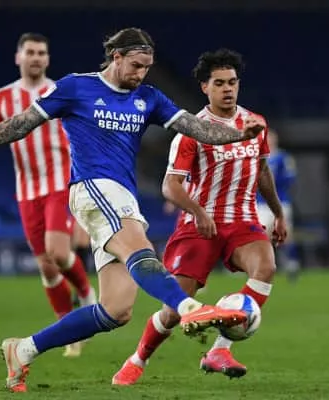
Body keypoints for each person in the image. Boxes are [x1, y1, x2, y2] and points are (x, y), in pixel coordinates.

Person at [0, 29, 265, 393]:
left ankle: (24, 350)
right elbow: (17, 126)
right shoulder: (76, 87)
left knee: (116, 310)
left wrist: (240, 134)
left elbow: (197, 128)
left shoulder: (148, 98)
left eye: (147, 67)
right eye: (136, 65)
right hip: (91, 188)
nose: (141, 73)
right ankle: (189, 307)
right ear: (116, 57)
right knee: (140, 248)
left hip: (121, 196)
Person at [112, 48, 287, 385]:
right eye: (219, 83)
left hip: (242, 221)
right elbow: (170, 186)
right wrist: (197, 211)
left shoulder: (256, 123)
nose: (227, 89)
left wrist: (278, 213)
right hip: (199, 227)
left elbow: (262, 170)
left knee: (265, 267)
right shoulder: (192, 131)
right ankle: (138, 359)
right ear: (205, 87)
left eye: (232, 82)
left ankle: (219, 350)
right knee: (174, 310)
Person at [0, 32, 97, 357]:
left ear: (47, 59)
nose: (36, 57)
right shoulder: (2, 97)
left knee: (57, 252)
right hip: (27, 191)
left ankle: (87, 295)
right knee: (46, 267)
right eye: (30, 52)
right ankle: (69, 332)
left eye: (41, 53)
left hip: (60, 183)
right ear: (18, 57)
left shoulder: (61, 91)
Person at [257, 129, 300, 281]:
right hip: (261, 204)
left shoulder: (283, 157)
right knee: (260, 235)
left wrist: (273, 180)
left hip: (281, 202)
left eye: (271, 138)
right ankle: (261, 266)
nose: (269, 141)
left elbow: (290, 177)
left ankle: (292, 263)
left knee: (285, 235)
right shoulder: (257, 157)